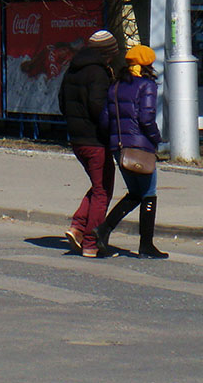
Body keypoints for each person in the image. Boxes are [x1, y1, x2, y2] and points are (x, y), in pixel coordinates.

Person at [96, 44, 167, 258]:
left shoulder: (115, 86)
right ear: (147, 65)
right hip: (140, 147)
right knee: (149, 193)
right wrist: (156, 139)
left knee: (136, 193)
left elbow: (105, 120)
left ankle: (103, 230)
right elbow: (146, 118)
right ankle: (146, 245)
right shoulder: (147, 85)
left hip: (119, 147)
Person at [57, 29, 118, 258]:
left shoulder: (72, 69)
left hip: (76, 138)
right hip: (95, 140)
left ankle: (78, 228)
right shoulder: (98, 73)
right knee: (103, 190)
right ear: (107, 54)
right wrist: (110, 131)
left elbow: (62, 101)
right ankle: (91, 243)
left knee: (98, 185)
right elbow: (98, 108)